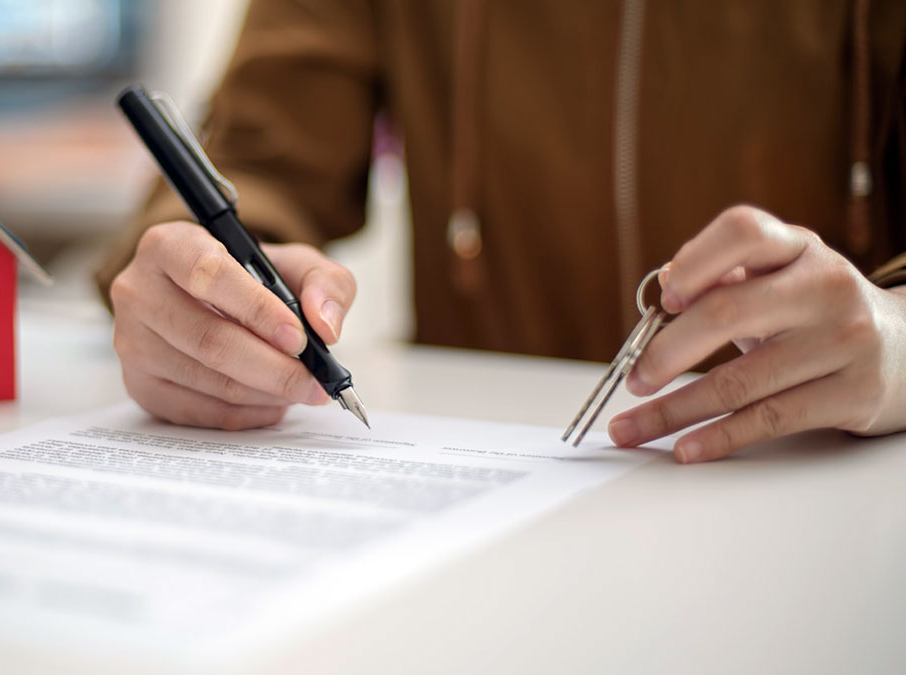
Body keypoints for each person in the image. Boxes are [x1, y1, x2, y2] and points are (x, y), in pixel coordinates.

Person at [98, 0, 906, 463]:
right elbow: (249, 166)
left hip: (829, 489)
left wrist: (899, 331)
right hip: (476, 532)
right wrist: (200, 285)